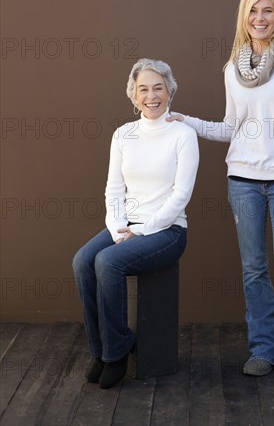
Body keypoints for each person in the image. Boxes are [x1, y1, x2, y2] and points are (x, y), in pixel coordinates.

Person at [168, 0, 274, 384]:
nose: (261, 18)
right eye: (253, 11)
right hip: (242, 180)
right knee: (254, 271)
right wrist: (186, 121)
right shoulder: (232, 69)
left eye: (268, 11)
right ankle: (265, 350)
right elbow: (230, 128)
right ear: (244, 17)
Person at [73, 59, 199, 389]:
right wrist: (117, 229)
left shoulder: (183, 135)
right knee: (83, 261)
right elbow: (114, 188)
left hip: (167, 230)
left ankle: (116, 354)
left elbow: (180, 195)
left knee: (108, 262)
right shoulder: (123, 135)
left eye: (158, 87)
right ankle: (101, 350)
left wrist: (141, 230)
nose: (151, 95)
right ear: (133, 95)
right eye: (143, 89)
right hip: (126, 224)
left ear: (170, 91)